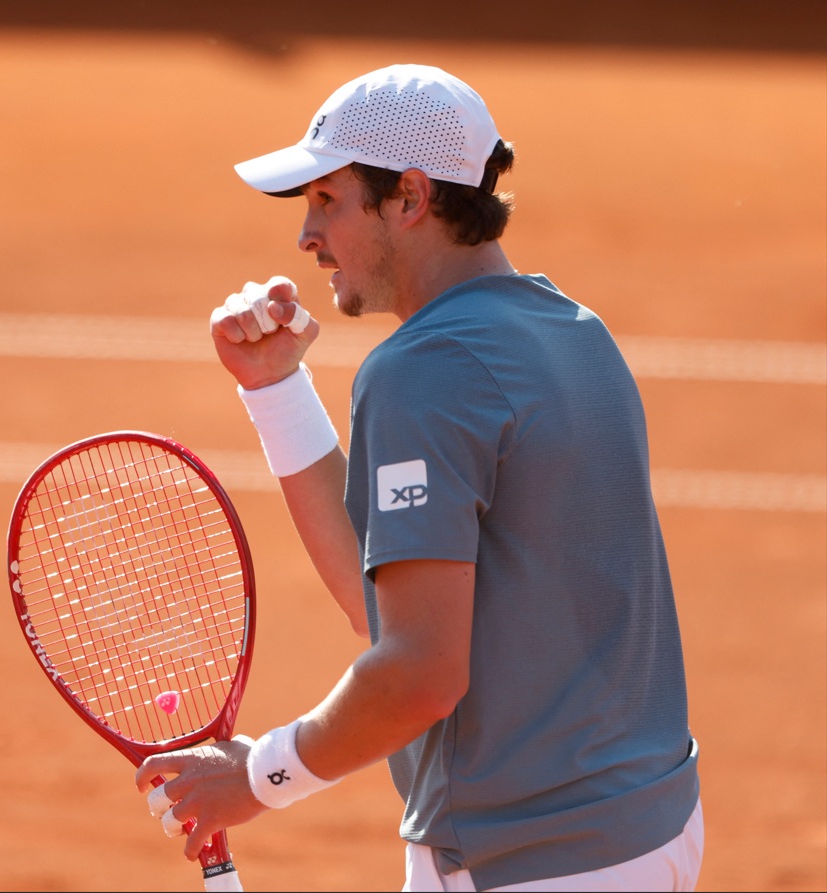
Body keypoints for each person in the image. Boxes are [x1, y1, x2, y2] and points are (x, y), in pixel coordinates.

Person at [134, 64, 703, 891]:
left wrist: (260, 776)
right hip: (651, 831)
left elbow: (420, 673)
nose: (305, 234)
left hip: (528, 861)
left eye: (327, 199)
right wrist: (276, 389)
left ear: (409, 196)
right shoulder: (578, 333)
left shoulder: (422, 369)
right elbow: (388, 608)